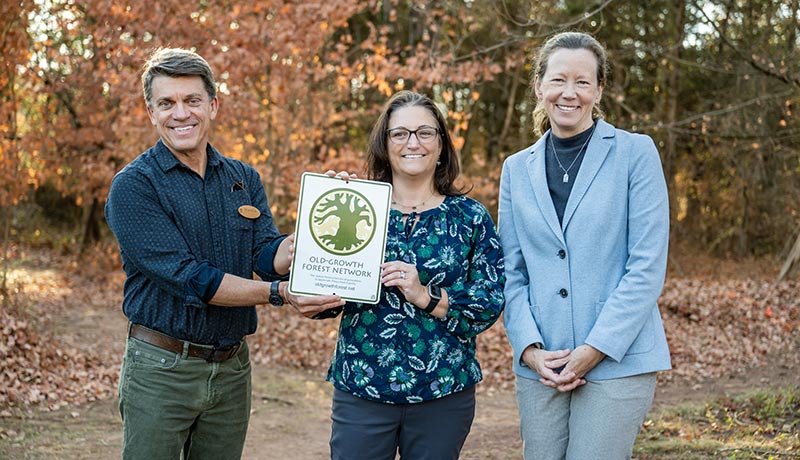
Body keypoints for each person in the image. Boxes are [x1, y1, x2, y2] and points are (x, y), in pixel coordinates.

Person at [104, 47, 343, 460]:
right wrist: (278, 293)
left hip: (232, 370)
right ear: (151, 112)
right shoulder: (133, 187)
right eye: (167, 103)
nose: (181, 114)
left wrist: (317, 228)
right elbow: (192, 278)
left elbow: (266, 252)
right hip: (162, 369)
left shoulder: (242, 178)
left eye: (192, 100)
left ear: (212, 105)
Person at [499, 31, 671, 460]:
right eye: (558, 80)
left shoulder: (636, 153)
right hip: (542, 366)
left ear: (599, 90)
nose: (568, 93)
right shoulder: (516, 169)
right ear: (539, 86)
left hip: (617, 359)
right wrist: (530, 349)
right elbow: (510, 271)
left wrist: (593, 350)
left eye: (582, 82)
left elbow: (646, 267)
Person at [324, 90, 505, 460]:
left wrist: (426, 295)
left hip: (442, 392)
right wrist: (326, 203)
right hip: (363, 386)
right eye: (400, 133)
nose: (413, 143)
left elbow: (489, 301)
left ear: (441, 145)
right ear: (384, 144)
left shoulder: (469, 217)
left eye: (425, 132)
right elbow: (324, 295)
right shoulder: (358, 205)